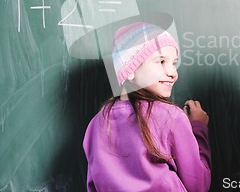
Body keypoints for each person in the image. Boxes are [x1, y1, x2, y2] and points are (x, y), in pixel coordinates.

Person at [83, 22, 211, 192]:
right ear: (130, 69)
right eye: (161, 61)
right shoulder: (171, 117)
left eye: (174, 63)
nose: (173, 72)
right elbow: (198, 185)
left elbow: (94, 184)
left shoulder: (97, 123)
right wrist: (198, 127)